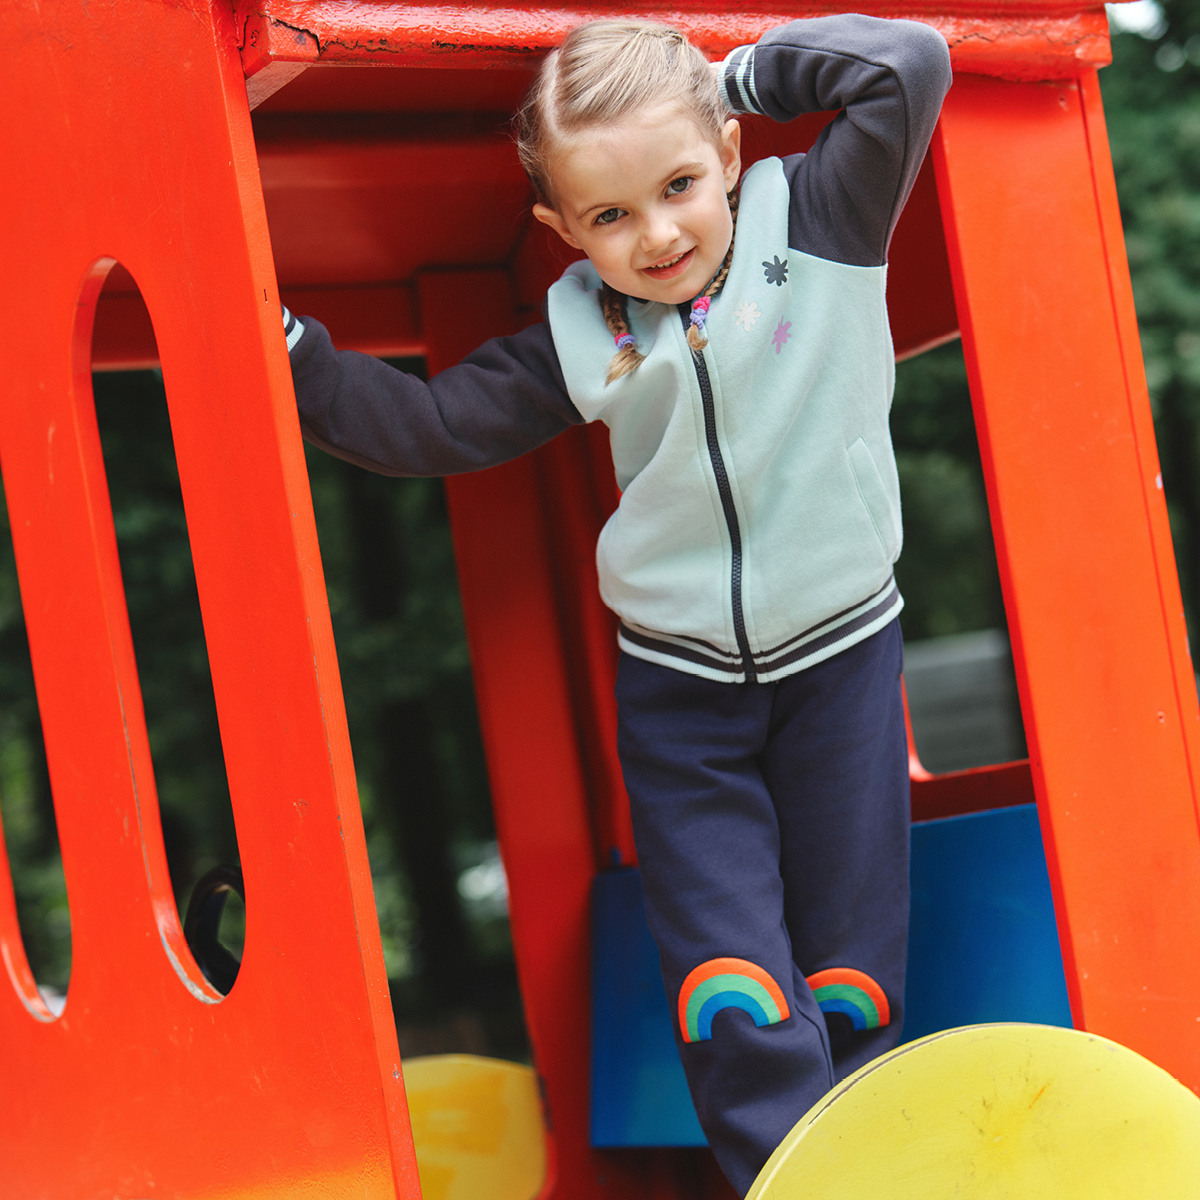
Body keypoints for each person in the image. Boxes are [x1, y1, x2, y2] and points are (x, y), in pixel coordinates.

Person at [284, 15, 952, 1194]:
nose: (656, 235)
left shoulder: (824, 221)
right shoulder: (583, 330)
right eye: (608, 215)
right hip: (681, 697)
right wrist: (290, 353)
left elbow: (905, 68)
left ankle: (867, 1165)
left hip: (843, 659)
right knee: (730, 980)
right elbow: (432, 427)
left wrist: (727, 73)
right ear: (561, 232)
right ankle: (783, 1185)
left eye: (680, 183)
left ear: (731, 154)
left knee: (853, 970)